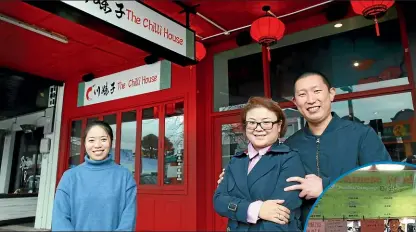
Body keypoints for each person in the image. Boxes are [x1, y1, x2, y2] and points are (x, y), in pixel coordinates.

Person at [217, 71, 392, 226]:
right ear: (295, 101)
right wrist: (233, 178)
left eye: (317, 91)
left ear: (331, 94)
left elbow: (387, 184)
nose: (310, 100)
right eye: (302, 94)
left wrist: (326, 186)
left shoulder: (361, 135)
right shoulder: (290, 145)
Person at [213, 97, 306, 231]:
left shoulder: (289, 159)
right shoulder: (236, 161)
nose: (258, 128)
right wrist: (257, 209)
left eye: (266, 122)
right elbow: (219, 202)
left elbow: (280, 214)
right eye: (252, 122)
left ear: (279, 126)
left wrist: (238, 209)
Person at [52, 121, 137, 231]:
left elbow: (128, 220)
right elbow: (60, 219)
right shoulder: (70, 177)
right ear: (85, 143)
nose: (97, 145)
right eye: (91, 140)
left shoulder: (124, 176)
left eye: (103, 139)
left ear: (111, 142)